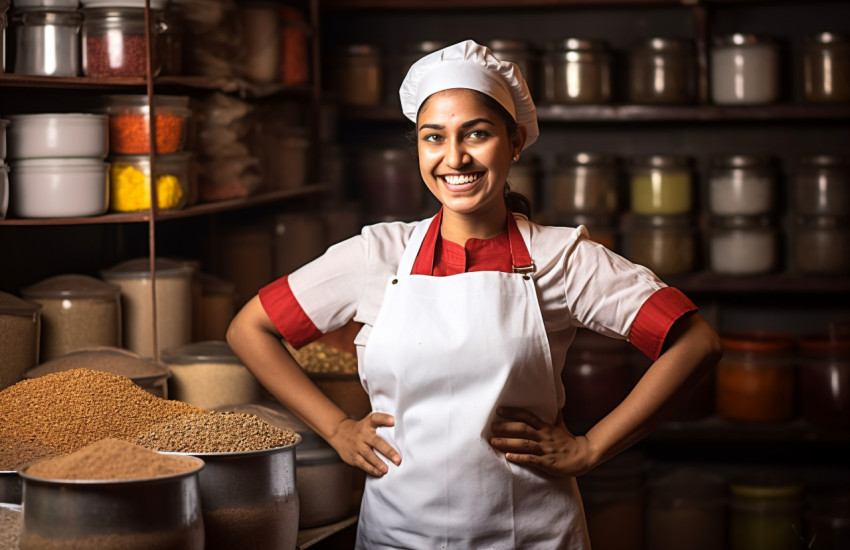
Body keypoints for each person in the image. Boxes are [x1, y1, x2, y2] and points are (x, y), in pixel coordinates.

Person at [226, 39, 723, 549]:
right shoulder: (378, 254)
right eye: (433, 137)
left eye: (477, 134)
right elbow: (250, 329)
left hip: (530, 535)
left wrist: (591, 448)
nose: (454, 157)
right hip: (396, 536)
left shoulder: (561, 259)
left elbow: (695, 343)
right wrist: (336, 429)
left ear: (516, 141)